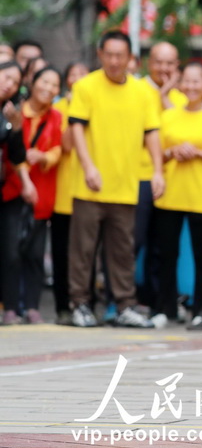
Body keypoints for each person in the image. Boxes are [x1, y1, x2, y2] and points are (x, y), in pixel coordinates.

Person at [67, 31, 163, 328]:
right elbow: (77, 128)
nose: (113, 61)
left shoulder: (142, 92)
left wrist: (158, 171)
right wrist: (88, 167)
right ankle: (80, 304)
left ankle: (125, 306)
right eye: (108, 54)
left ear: (130, 58)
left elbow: (152, 133)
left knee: (123, 251)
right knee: (83, 251)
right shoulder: (85, 86)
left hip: (125, 186)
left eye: (119, 55)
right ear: (99, 54)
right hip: (90, 186)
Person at [153, 61, 202, 329]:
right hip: (171, 193)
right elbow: (157, 152)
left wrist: (198, 152)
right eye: (186, 81)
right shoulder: (169, 115)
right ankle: (165, 308)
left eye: (196, 81)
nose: (190, 86)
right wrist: (172, 152)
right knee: (166, 254)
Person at [135, 41, 187, 314]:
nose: (164, 68)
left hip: (172, 182)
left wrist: (166, 94)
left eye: (169, 63)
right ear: (148, 63)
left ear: (177, 66)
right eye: (158, 62)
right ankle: (125, 300)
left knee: (161, 247)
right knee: (134, 241)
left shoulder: (181, 98)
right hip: (140, 176)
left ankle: (158, 303)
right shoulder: (135, 90)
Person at [10, 67, 63, 324]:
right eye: (45, 81)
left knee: (35, 253)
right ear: (32, 82)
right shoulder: (15, 112)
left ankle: (32, 306)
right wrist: (24, 175)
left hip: (42, 191)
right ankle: (10, 306)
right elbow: (10, 148)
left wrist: (43, 157)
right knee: (10, 251)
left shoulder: (56, 117)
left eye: (54, 85)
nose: (48, 88)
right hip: (12, 189)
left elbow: (59, 149)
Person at [50, 62, 89, 325]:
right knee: (61, 252)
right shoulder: (59, 109)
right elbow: (65, 145)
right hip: (64, 191)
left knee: (86, 253)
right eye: (73, 75)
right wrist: (76, 111)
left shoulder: (98, 107)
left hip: (89, 190)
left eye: (83, 75)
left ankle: (86, 305)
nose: (78, 79)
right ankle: (63, 307)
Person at [0, 62, 29, 325]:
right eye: (6, 77)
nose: (9, 84)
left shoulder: (11, 113)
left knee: (10, 251)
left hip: (6, 192)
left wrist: (16, 129)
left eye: (15, 82)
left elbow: (18, 157)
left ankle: (10, 307)